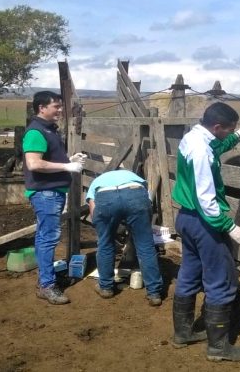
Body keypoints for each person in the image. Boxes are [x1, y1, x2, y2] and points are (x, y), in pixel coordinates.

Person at [170, 102, 240, 362]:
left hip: (186, 217)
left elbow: (215, 146)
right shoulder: (201, 153)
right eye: (226, 129)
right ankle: (218, 348)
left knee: (188, 274)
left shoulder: (193, 137)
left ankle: (182, 334)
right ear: (216, 126)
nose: (226, 133)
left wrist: (237, 135)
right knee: (220, 280)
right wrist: (230, 226)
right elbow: (206, 198)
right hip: (204, 222)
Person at [23, 91, 86, 305]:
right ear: (42, 108)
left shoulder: (48, 130)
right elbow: (34, 164)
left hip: (51, 191)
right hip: (45, 192)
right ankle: (47, 285)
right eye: (56, 107)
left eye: (60, 106)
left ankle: (45, 280)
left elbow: (47, 159)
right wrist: (67, 166)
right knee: (49, 238)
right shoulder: (36, 132)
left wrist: (69, 159)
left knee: (44, 237)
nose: (60, 110)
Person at [85, 169, 163, 306]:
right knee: (145, 245)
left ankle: (105, 287)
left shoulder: (96, 183)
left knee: (105, 243)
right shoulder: (135, 178)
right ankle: (154, 293)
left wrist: (106, 231)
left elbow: (94, 215)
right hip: (136, 194)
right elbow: (147, 202)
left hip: (106, 198)